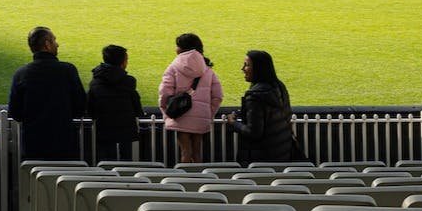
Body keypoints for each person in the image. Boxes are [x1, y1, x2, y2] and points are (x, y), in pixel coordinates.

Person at [7, 26, 86, 160]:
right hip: (64, 143)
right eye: (54, 40)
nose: (57, 44)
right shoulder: (68, 70)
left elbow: (15, 113)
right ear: (47, 44)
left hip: (33, 145)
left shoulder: (21, 74)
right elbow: (80, 106)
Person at [158, 33, 224, 165]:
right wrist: (207, 113)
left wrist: (167, 113)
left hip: (180, 116)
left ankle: (184, 181)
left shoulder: (173, 67)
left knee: (185, 152)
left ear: (182, 48)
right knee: (196, 153)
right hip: (201, 116)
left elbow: (164, 93)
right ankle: (199, 181)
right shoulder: (208, 70)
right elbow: (218, 95)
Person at [224, 49, 296, 165]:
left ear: (258, 69)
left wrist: (233, 123)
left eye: (247, 65)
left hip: (260, 157)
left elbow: (253, 132)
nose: (242, 69)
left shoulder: (254, 96)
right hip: (283, 150)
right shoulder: (279, 86)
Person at [87, 44, 143, 162]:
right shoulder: (129, 81)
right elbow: (136, 103)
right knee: (126, 161)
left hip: (104, 127)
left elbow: (90, 107)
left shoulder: (95, 82)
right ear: (123, 62)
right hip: (126, 126)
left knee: (107, 160)